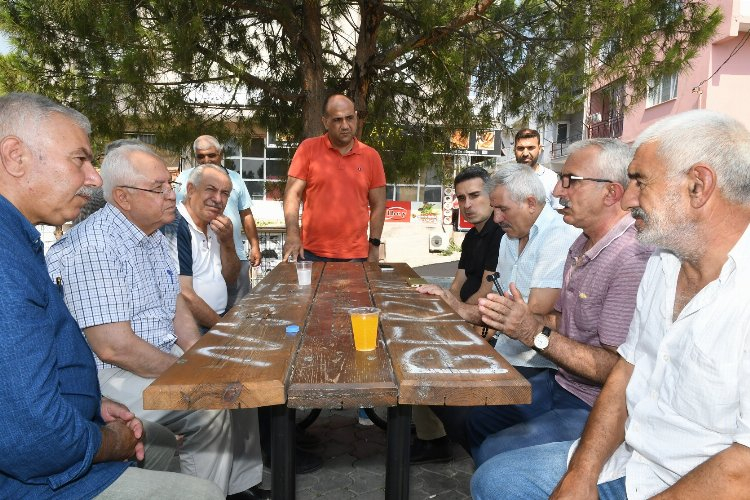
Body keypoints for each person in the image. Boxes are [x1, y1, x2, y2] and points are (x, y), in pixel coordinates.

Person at [471, 109, 750, 500]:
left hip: (699, 484)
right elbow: (625, 375)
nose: (628, 197)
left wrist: (535, 333)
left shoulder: (649, 257)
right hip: (633, 461)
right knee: (495, 478)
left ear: (698, 186)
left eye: (639, 181)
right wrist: (582, 473)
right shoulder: (663, 262)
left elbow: (741, 471)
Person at [0, 92, 222, 499]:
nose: (94, 179)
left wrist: (95, 405)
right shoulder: (13, 257)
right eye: (79, 160)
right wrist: (108, 440)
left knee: (166, 437)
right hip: (41, 475)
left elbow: (25, 381)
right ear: (15, 157)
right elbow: (33, 436)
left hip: (84, 408)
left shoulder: (18, 240)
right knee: (203, 480)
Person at [47, 143, 267, 498]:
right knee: (211, 401)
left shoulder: (156, 234)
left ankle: (238, 487)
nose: (170, 195)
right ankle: (206, 492)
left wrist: (201, 356)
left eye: (169, 184)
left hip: (152, 358)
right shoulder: (95, 246)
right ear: (123, 197)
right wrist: (188, 371)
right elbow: (114, 348)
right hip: (107, 377)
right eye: (158, 188)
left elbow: (175, 304)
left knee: (234, 380)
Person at [467, 139, 651, 468]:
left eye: (570, 181)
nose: (556, 191)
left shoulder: (630, 257)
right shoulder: (581, 243)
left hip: (597, 405)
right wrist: (520, 319)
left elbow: (616, 369)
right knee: (470, 415)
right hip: (561, 383)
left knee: (494, 455)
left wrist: (532, 332)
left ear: (611, 193)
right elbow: (562, 320)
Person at [419, 163, 579, 450]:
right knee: (432, 384)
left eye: (502, 209)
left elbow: (529, 316)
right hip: (506, 352)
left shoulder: (558, 235)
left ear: (531, 203)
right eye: (495, 209)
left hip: (540, 364)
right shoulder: (508, 238)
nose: (497, 218)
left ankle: (494, 459)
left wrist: (458, 308)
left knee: (466, 415)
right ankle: (486, 455)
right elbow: (498, 304)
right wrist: (454, 304)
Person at [411, 166, 504, 464]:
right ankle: (428, 428)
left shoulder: (500, 234)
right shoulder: (472, 236)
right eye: (462, 198)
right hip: (465, 317)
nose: (467, 204)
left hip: (484, 325)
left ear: (492, 195)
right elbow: (457, 284)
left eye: (474, 195)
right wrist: (441, 311)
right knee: (413, 338)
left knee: (421, 354)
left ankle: (434, 440)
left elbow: (486, 295)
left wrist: (453, 317)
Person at [282, 93, 386, 263]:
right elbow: (292, 194)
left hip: (356, 256)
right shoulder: (308, 149)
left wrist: (374, 246)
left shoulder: (371, 156)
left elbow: (379, 205)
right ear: (325, 122)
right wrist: (292, 235)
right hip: (310, 254)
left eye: (349, 118)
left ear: (356, 117)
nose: (345, 125)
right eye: (337, 120)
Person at [176, 135, 261, 308]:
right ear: (190, 189)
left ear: (221, 154)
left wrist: (254, 245)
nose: (206, 160)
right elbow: (176, 212)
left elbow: (246, 214)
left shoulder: (235, 178)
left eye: (225, 193)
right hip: (196, 255)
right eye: (200, 156)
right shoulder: (184, 179)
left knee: (239, 309)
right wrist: (217, 324)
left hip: (234, 253)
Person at [176, 164, 240, 330]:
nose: (218, 199)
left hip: (216, 320)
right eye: (211, 189)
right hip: (190, 328)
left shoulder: (215, 224)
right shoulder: (176, 226)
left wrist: (228, 242)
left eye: (225, 193)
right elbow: (183, 295)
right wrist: (223, 329)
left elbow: (231, 278)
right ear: (191, 190)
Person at [514, 128, 561, 209]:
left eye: (530, 148)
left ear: (539, 149)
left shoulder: (552, 179)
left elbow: (559, 212)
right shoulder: (505, 179)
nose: (525, 153)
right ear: (514, 150)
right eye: (520, 148)